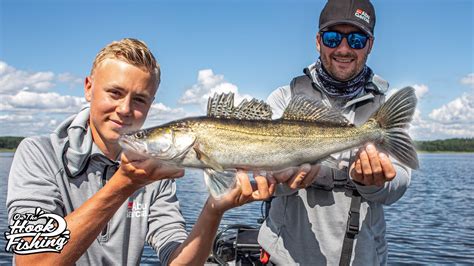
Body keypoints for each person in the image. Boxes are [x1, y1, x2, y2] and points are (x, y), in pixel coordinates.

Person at [6, 38, 275, 265]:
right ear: (89, 88)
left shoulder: (155, 169)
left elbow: (176, 259)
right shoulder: (38, 154)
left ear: (151, 103)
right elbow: (31, 261)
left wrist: (214, 210)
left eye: (139, 99)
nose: (124, 109)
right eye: (114, 93)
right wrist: (124, 185)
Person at [258, 0, 411, 265]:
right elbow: (261, 176)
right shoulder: (283, 98)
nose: (343, 48)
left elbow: (400, 182)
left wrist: (376, 183)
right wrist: (280, 178)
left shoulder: (386, 107)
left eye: (356, 39)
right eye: (332, 38)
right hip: (285, 258)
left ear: (370, 44)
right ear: (318, 41)